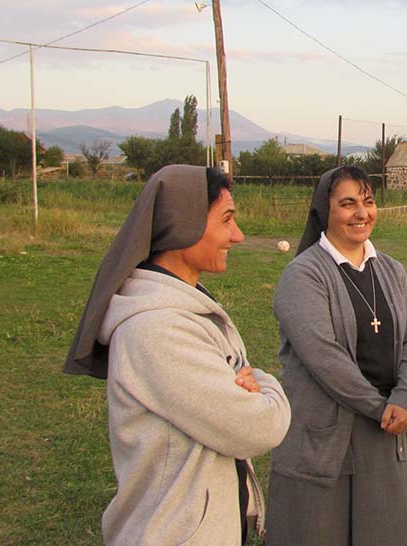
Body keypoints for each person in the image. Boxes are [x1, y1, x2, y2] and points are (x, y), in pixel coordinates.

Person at [64, 165, 292, 546]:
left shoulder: (185, 303)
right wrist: (266, 385)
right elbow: (261, 426)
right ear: (183, 225)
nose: (238, 235)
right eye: (226, 220)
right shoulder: (157, 329)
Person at [266, 166, 407, 546]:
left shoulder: (392, 271)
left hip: (384, 431)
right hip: (325, 437)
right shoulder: (302, 275)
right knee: (318, 531)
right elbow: (323, 357)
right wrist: (381, 407)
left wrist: (406, 396)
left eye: (368, 202)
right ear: (325, 210)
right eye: (348, 203)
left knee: (382, 531)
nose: (361, 213)